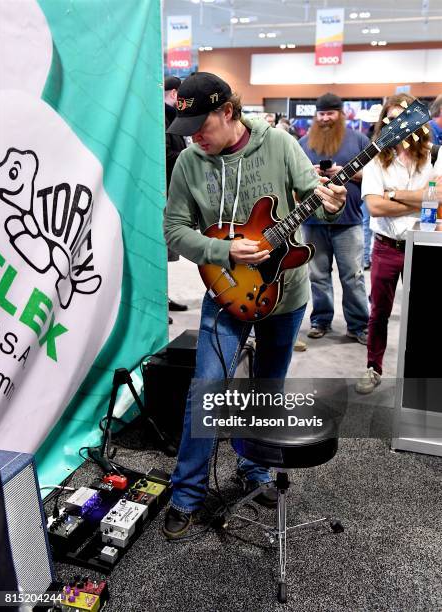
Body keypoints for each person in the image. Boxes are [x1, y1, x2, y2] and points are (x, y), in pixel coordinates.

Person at [163, 72, 347, 539]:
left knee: (265, 390)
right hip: (225, 294)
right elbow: (174, 230)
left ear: (229, 111)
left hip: (284, 295)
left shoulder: (280, 146)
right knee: (207, 390)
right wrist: (224, 252)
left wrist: (333, 202)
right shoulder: (189, 161)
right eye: (187, 130)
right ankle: (186, 493)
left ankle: (255, 469)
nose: (195, 138)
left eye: (201, 125)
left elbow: (318, 202)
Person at [355, 93, 442, 394]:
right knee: (379, 312)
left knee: (424, 311)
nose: (397, 125)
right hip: (386, 247)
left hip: (423, 246)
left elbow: (438, 196)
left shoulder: (432, 153)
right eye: (390, 119)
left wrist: (392, 194)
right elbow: (374, 208)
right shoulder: (375, 157)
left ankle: (419, 378)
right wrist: (419, 201)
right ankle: (373, 367)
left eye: (403, 118)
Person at [298, 93, 370, 344]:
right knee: (317, 276)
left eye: (330, 113)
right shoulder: (304, 143)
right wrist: (311, 174)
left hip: (349, 220)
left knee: (353, 276)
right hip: (312, 221)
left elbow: (373, 175)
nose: (326, 118)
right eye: (321, 113)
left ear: (341, 114)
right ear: (316, 116)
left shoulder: (359, 140)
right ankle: (321, 320)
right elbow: (294, 181)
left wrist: (346, 172)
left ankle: (359, 324)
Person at [164, 75, 188, 318]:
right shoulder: (163, 120)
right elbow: (165, 156)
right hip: (162, 193)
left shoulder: (174, 120)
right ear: (174, 94)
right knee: (160, 252)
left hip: (172, 192)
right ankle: (158, 302)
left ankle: (163, 297)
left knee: (166, 253)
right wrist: (190, 157)